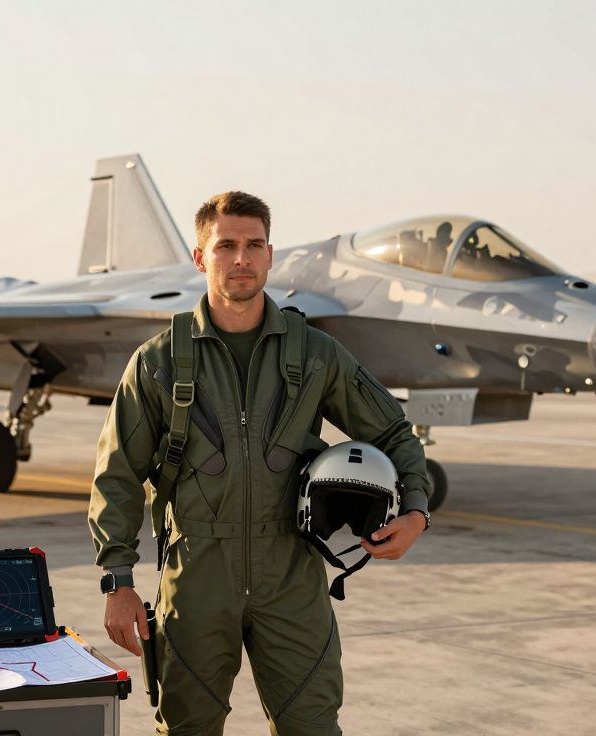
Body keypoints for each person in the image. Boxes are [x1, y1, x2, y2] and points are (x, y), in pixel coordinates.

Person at [88, 191, 431, 735]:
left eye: (254, 245)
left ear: (270, 255)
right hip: (197, 573)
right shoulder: (157, 363)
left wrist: (415, 511)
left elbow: (392, 430)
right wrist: (118, 580)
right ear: (201, 258)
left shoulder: (315, 353)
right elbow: (118, 475)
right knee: (186, 728)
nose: (241, 259)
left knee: (313, 727)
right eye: (226, 245)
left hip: (291, 574)